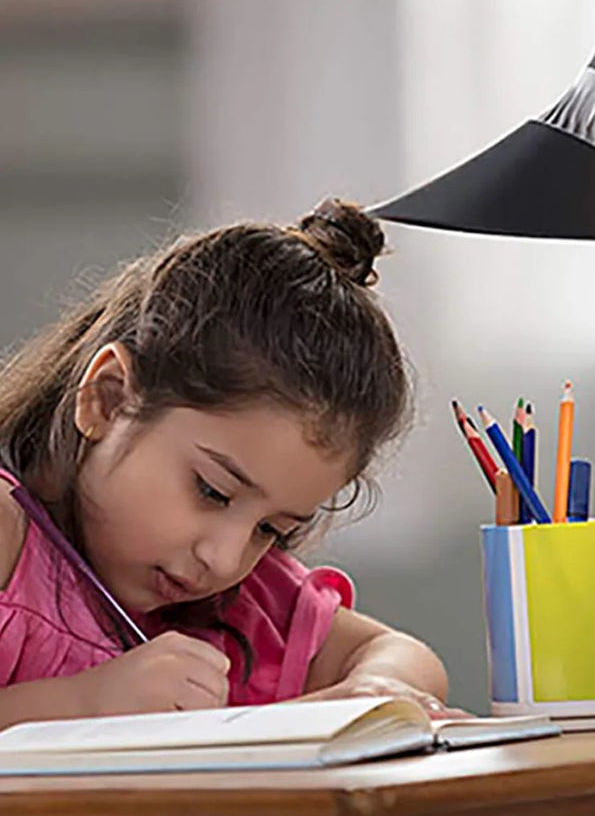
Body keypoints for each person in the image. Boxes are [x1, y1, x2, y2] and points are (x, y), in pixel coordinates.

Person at [0, 198, 461, 729]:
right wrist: (86, 704)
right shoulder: (10, 538)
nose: (223, 559)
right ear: (109, 399)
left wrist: (377, 686)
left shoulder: (244, 601)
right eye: (212, 491)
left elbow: (400, 652)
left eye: (271, 528)